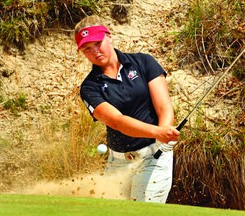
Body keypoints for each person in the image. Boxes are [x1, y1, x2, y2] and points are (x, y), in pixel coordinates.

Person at [74, 15, 180, 203]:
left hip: (154, 156)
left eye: (98, 43)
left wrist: (162, 138)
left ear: (109, 36)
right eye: (87, 49)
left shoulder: (143, 62)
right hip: (118, 162)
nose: (95, 51)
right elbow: (116, 121)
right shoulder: (89, 87)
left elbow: (164, 106)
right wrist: (159, 131)